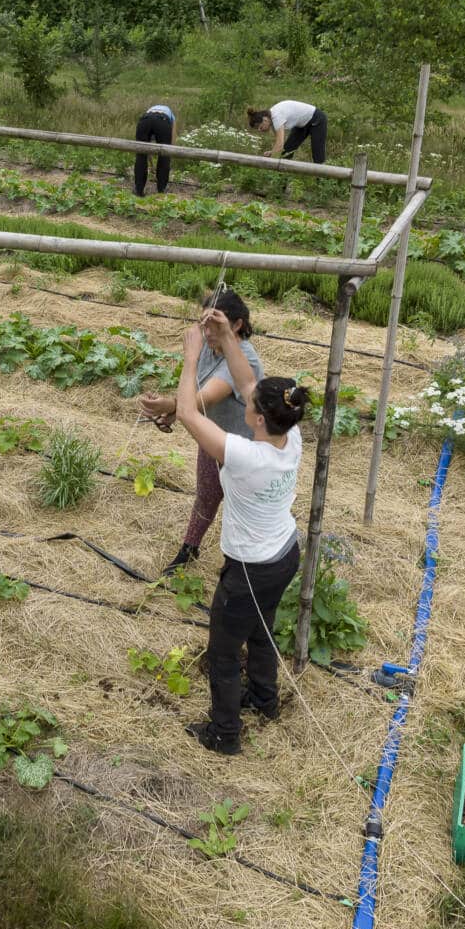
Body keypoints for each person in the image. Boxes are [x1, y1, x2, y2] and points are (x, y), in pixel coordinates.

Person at [173, 307, 307, 756]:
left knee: (225, 653)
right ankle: (264, 699)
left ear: (255, 418)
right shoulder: (290, 438)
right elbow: (247, 380)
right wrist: (228, 334)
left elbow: (188, 414)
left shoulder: (247, 457)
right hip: (285, 554)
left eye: (248, 404)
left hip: (251, 568)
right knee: (262, 628)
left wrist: (192, 355)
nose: (244, 400)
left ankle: (224, 734)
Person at [138, 288, 263, 577]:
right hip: (212, 438)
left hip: (242, 448)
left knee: (241, 508)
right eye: (202, 323)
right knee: (206, 496)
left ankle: (241, 565)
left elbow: (204, 398)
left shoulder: (245, 359)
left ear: (236, 325)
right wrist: (172, 411)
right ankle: (189, 548)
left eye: (214, 323)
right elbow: (192, 398)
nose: (206, 330)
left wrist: (173, 407)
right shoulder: (208, 349)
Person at [248, 100, 328, 165]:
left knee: (318, 157)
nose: (260, 130)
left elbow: (280, 145)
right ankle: (282, 183)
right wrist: (272, 152)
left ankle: (322, 183)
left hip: (317, 119)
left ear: (265, 119)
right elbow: (278, 143)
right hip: (302, 124)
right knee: (286, 154)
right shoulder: (272, 118)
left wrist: (270, 162)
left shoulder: (276, 117)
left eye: (260, 127)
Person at [134, 104, 177, 196]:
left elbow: (147, 148)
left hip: (145, 120)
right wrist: (170, 155)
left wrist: (151, 165)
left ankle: (139, 190)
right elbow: (173, 140)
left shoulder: (149, 111)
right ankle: (161, 190)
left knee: (141, 154)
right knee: (164, 155)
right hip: (163, 120)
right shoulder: (171, 115)